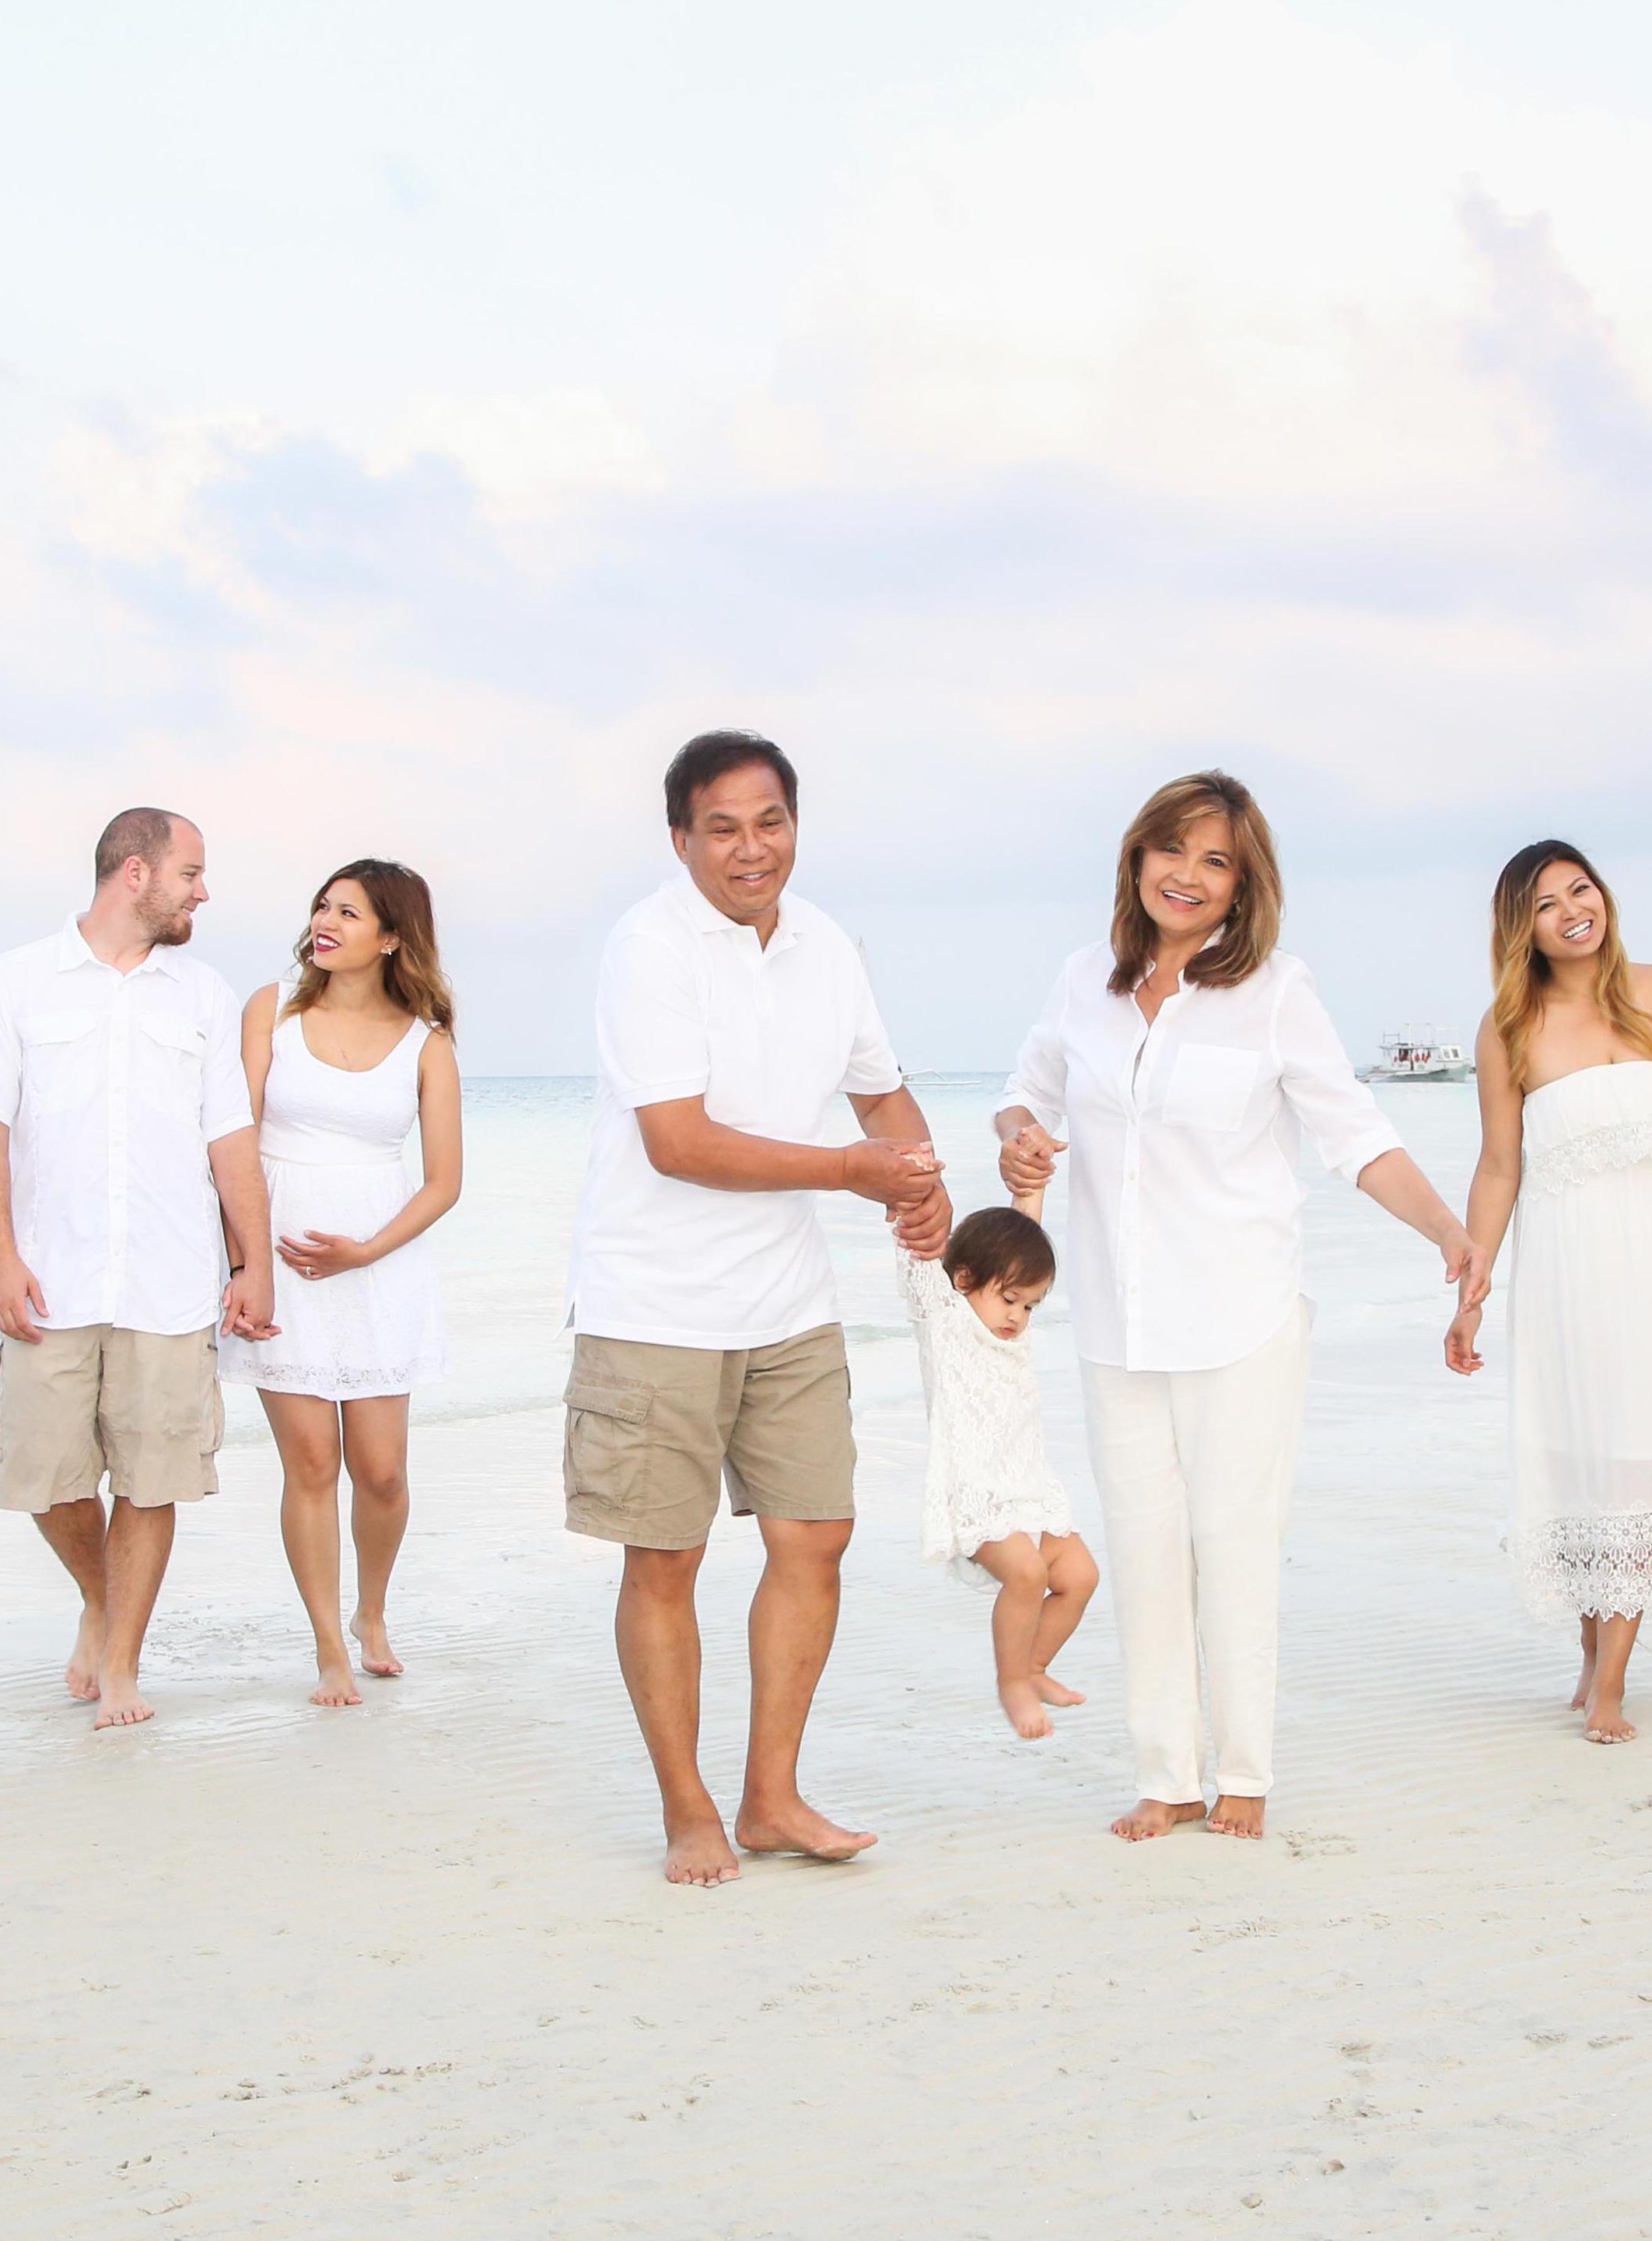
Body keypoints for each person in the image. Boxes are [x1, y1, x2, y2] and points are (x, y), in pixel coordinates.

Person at [997, 769, 1477, 1842]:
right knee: (1146, 1547)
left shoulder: (1275, 990)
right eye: (1172, 850)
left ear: (1241, 883)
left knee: (1232, 1541)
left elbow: (1355, 1135)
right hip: (1118, 1321)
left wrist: (1446, 1231)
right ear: (1136, 857)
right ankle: (1164, 1776)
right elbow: (1024, 1089)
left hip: (1241, 1315)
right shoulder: (1085, 980)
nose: (1188, 874)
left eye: (1215, 860)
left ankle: (1245, 1775)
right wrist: (1015, 1135)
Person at [565, 730, 952, 1886]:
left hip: (788, 1298)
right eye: (722, 827)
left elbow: (880, 1091)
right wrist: (848, 1174)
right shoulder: (648, 948)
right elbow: (674, 1142)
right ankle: (688, 1809)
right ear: (680, 837)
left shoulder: (828, 942)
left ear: (795, 823)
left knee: (815, 1536)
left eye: (769, 821)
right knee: (664, 1558)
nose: (751, 848)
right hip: (653, 1299)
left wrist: (926, 1196)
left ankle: (771, 1795)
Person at [0, 807, 278, 1728]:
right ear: (136, 873)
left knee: (153, 1479)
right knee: (46, 1477)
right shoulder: (13, 984)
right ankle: (103, 1599)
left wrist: (254, 1263)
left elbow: (231, 1139)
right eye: (192, 873)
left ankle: (122, 1662)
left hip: (168, 1284)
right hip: (53, 1279)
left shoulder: (201, 994)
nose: (203, 891)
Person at [1444, 842, 1652, 1743]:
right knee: (1589, 1464)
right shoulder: (1509, 1027)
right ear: (1521, 929)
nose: (1572, 909)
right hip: (1571, 1281)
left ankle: (1611, 1682)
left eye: (1581, 889)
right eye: (1545, 904)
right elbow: (1500, 1167)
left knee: (1646, 1461)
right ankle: (1593, 1658)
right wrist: (1472, 1287)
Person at [238, 861, 463, 1706]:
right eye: (322, 907)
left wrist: (366, 1251)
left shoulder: (426, 1043)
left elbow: (444, 1181)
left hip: (377, 1269)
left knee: (380, 1473)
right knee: (308, 1465)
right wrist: (244, 1261)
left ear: (393, 936)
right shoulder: (273, 1013)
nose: (326, 922)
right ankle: (329, 1644)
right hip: (283, 1266)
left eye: (350, 912)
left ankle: (372, 1611)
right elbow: (235, 1140)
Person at [895, 1203, 1101, 1742]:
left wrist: (1030, 1187)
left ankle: (1032, 1666)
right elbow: (919, 1265)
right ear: (964, 1280)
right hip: (977, 1497)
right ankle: (1012, 1682)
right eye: (1010, 1300)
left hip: (1031, 1490)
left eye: (1030, 1306)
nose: (1018, 1317)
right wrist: (913, 1193)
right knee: (1028, 1574)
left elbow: (1023, 1233)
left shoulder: (1013, 1335)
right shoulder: (946, 1323)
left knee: (1080, 1577)